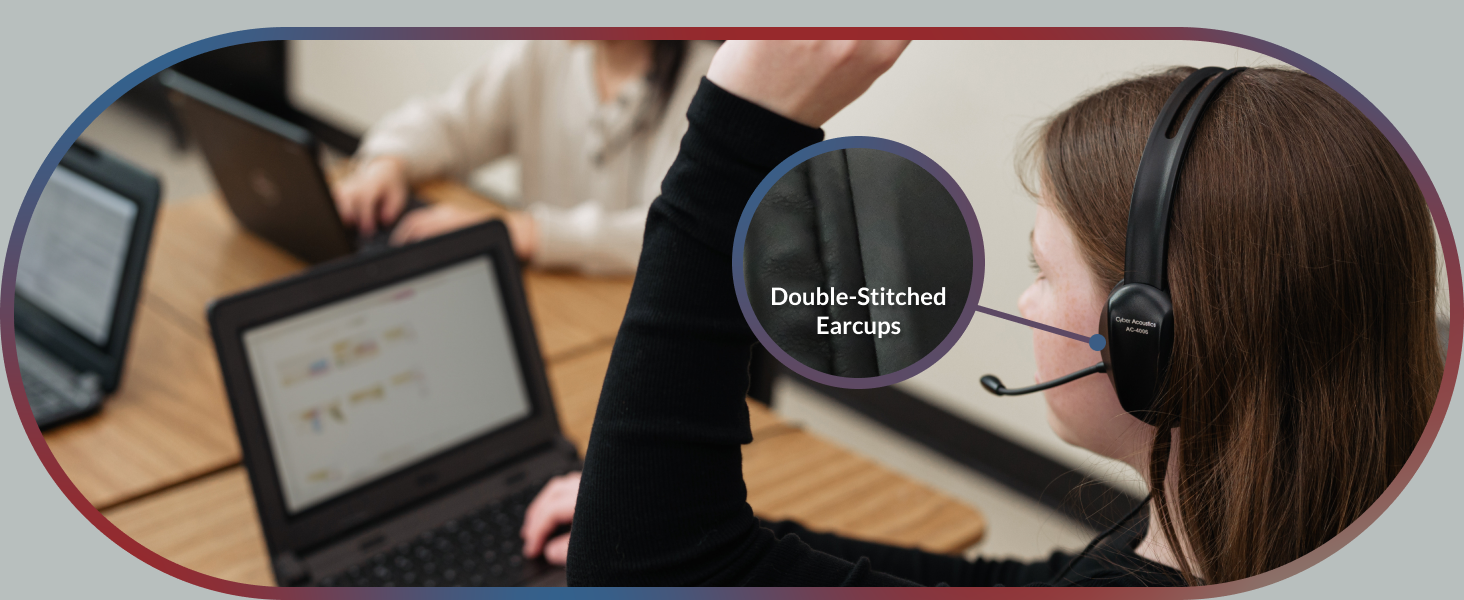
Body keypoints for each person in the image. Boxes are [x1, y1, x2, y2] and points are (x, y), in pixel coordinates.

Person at [519, 41, 1442, 586]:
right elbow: (1038, 585)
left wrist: (743, 117)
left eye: (1042, 272)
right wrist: (756, 541)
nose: (1023, 301)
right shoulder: (1269, 531)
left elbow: (639, 576)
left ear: (1147, 339)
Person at [333, 40, 718, 275]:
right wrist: (389, 161)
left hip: (632, 323)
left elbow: (669, 237)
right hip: (550, 290)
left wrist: (524, 232)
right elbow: (453, 121)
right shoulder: (543, 50)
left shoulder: (710, 79)